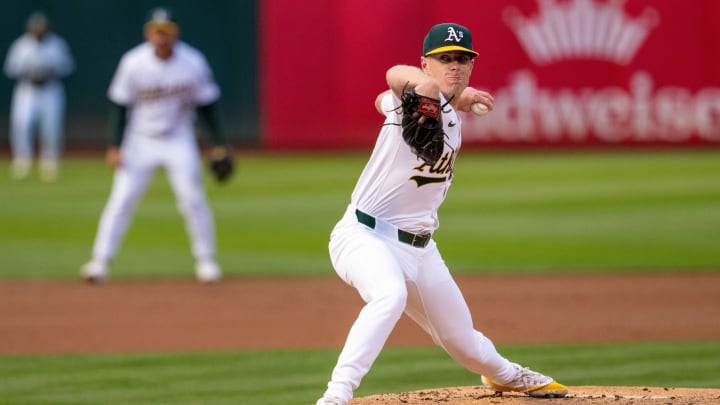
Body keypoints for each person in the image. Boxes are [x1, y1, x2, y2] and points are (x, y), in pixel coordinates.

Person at [315, 23, 568, 405]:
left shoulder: (444, 110)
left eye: (463, 59)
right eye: (445, 59)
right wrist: (430, 91)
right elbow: (393, 78)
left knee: (462, 340)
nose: (455, 65)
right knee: (389, 295)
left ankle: (506, 375)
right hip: (364, 235)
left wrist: (455, 98)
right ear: (426, 64)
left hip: (420, 249)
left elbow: (380, 99)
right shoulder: (410, 100)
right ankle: (336, 395)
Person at [81, 7, 231, 283]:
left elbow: (208, 105)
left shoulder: (193, 61)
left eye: (166, 31)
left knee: (192, 199)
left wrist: (219, 144)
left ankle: (206, 261)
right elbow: (119, 105)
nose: (161, 36)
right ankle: (100, 261)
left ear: (175, 33)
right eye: (156, 31)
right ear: (148, 33)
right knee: (122, 199)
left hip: (178, 138)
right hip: (139, 141)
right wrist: (115, 145)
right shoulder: (133, 62)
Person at [4, 11, 74, 181]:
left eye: (41, 28)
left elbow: (68, 66)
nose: (38, 31)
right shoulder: (21, 45)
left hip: (50, 88)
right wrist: (28, 71)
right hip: (27, 89)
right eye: (35, 28)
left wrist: (50, 69)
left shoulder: (56, 44)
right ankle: (22, 160)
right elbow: (10, 68)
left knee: (51, 128)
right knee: (22, 125)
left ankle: (49, 162)